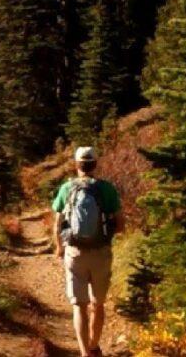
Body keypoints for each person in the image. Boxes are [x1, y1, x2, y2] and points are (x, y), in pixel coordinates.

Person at [52, 146, 124, 357]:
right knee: (98, 304)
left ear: (76, 165)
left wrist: (58, 247)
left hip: (74, 252)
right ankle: (94, 345)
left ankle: (84, 353)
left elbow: (58, 222)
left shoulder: (66, 189)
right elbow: (121, 225)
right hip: (101, 252)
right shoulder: (107, 189)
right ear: (95, 164)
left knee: (79, 306)